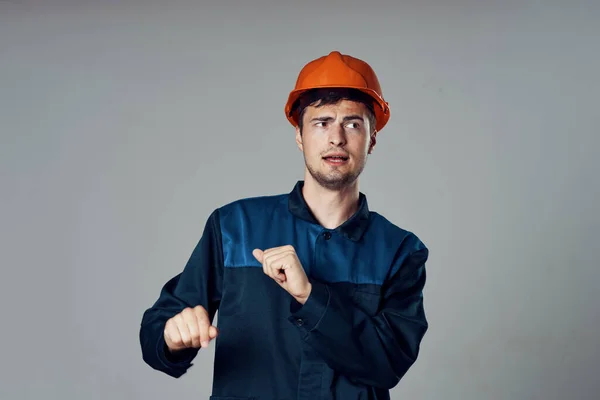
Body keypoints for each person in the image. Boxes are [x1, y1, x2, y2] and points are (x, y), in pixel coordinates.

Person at [139, 50, 429, 400]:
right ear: (299, 135)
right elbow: (159, 328)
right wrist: (172, 337)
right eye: (321, 122)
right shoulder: (234, 227)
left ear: (372, 139)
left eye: (353, 124)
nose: (336, 138)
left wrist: (309, 295)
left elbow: (387, 363)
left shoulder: (399, 251)